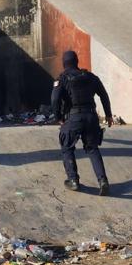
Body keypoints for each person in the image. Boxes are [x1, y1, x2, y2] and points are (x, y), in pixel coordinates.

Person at [51, 51, 113, 195]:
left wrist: (58, 117)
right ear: (77, 61)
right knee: (92, 149)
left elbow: (54, 100)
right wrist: (108, 115)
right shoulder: (90, 77)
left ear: (64, 63)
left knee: (67, 147)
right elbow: (103, 94)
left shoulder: (62, 79)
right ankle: (103, 181)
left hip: (73, 118)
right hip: (91, 117)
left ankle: (73, 180)